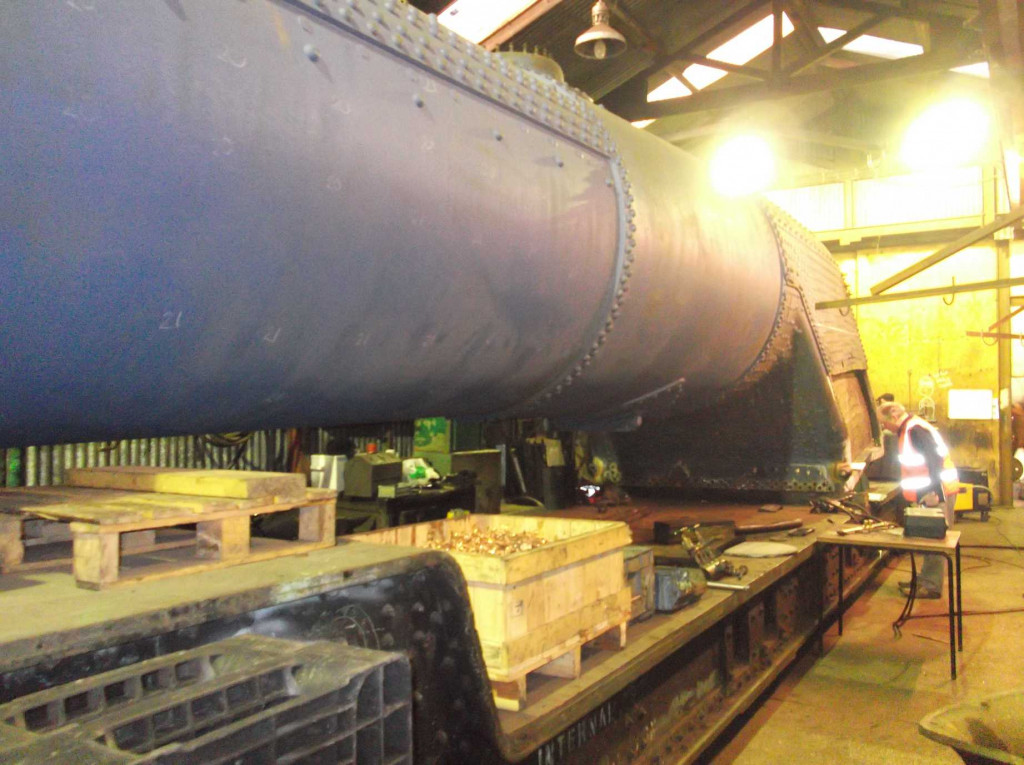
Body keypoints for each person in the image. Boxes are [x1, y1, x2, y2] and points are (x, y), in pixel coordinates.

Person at [878, 401, 959, 599]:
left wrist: (934, 494)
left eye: (883, 423)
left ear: (894, 416)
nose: (883, 427)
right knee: (926, 537)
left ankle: (931, 585)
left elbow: (934, 461)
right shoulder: (909, 429)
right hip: (929, 491)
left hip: (937, 491)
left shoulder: (914, 430)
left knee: (934, 538)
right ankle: (924, 579)